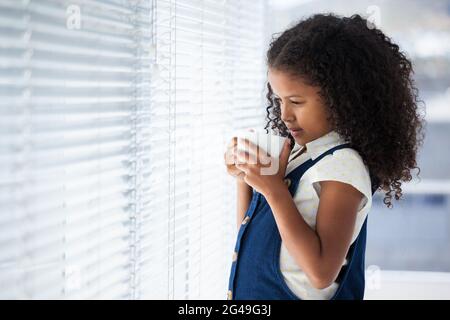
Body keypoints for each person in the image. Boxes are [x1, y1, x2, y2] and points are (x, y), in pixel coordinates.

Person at [223, 13, 425, 300]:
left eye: (296, 102)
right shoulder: (299, 154)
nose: (284, 114)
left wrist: (273, 189)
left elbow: (320, 273)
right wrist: (246, 179)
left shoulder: (342, 167)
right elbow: (255, 240)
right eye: (278, 100)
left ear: (341, 97)